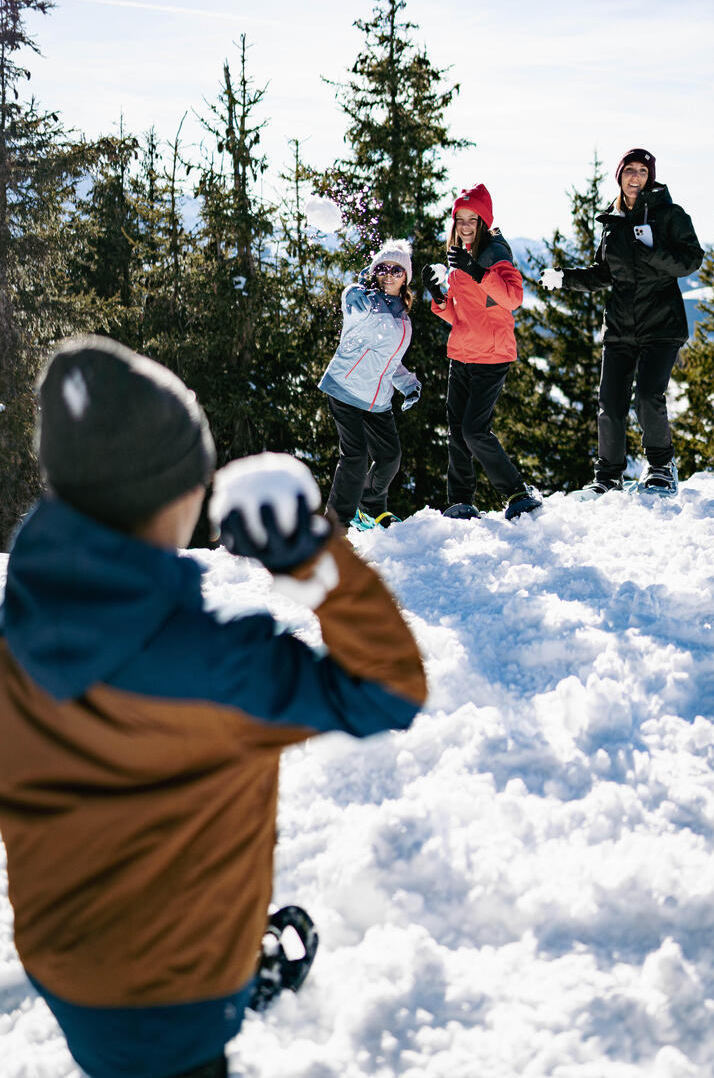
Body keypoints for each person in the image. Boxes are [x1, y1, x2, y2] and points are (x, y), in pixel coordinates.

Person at [0, 336, 427, 1078]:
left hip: (67, 969)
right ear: (173, 495)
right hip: (178, 996)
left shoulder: (17, 640)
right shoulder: (219, 664)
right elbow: (389, 690)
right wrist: (309, 556)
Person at [539, 148, 704, 497]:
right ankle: (609, 475)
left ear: (651, 177)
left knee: (648, 395)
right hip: (619, 328)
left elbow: (691, 260)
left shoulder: (670, 215)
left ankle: (661, 466)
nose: (635, 178)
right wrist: (564, 278)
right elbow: (603, 274)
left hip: (662, 325)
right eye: (629, 170)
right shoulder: (612, 221)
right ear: (620, 175)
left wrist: (652, 250)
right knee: (610, 404)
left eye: (642, 172)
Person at [421, 183, 542, 520]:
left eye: (472, 219)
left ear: (484, 221)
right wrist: (439, 297)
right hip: (461, 353)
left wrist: (476, 271)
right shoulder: (458, 254)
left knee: (474, 430)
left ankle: (517, 491)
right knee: (457, 430)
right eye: (460, 218)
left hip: (491, 355)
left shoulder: (494, 254)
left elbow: (513, 299)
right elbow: (460, 314)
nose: (465, 225)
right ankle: (460, 501)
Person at [318, 239, 421, 530]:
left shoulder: (403, 318)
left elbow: (390, 360)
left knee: (390, 457)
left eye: (396, 270)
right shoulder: (363, 299)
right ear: (374, 271)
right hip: (346, 389)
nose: (389, 274)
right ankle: (336, 525)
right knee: (355, 456)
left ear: (406, 278)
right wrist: (355, 293)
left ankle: (370, 507)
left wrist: (409, 385)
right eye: (383, 268)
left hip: (378, 400)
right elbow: (350, 300)